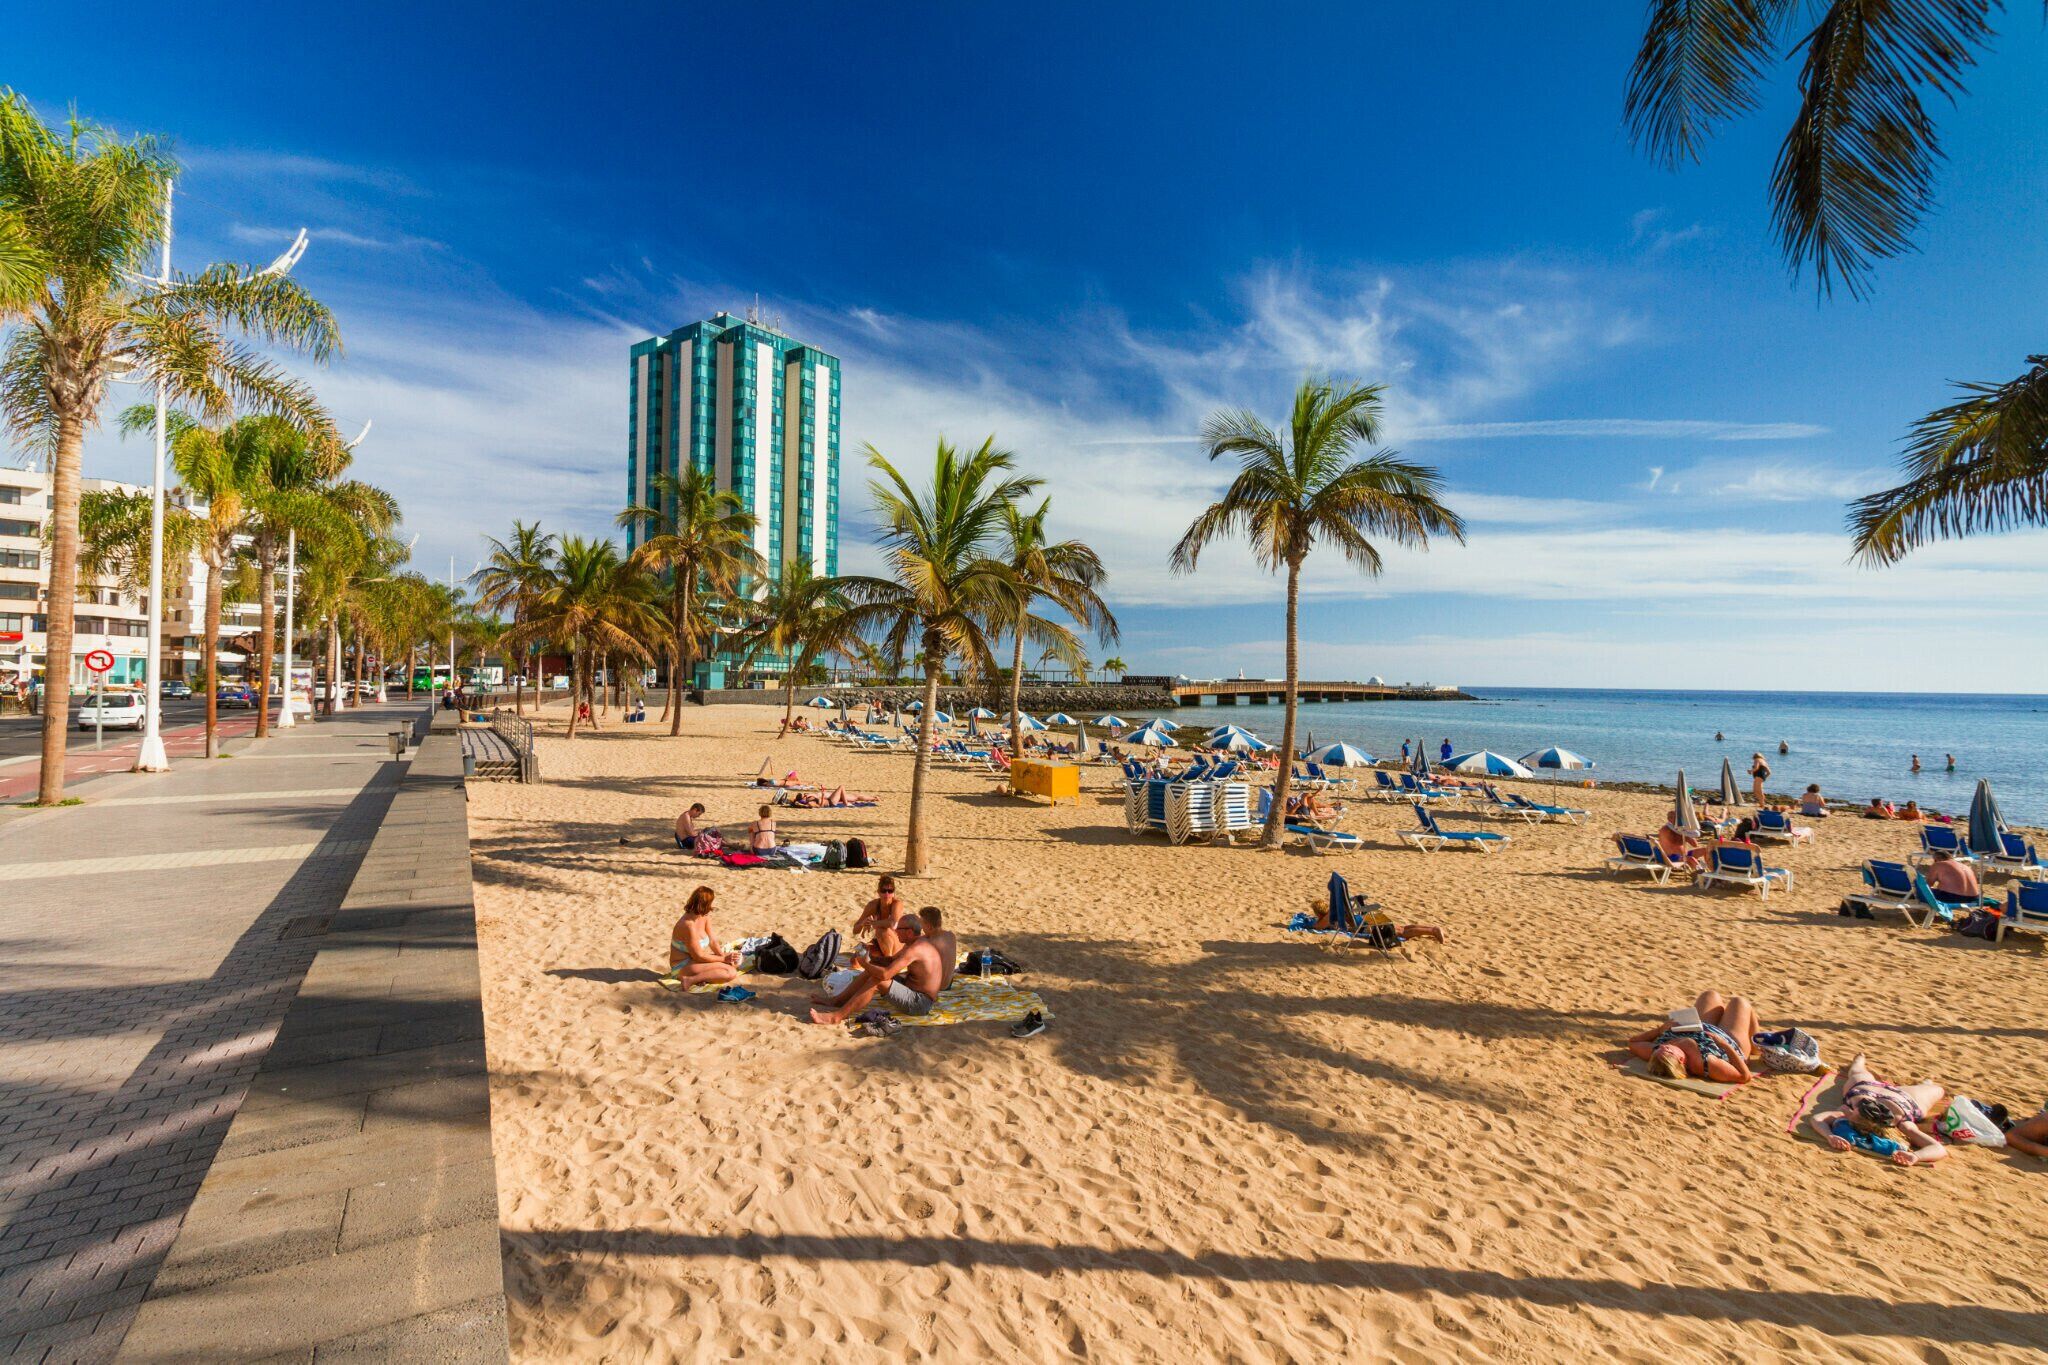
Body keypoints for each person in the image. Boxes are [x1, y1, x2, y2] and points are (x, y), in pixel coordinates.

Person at [810, 906, 957, 1024]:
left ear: (910, 932)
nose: (895, 931)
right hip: (911, 986)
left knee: (876, 980)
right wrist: (871, 958)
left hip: (920, 1002)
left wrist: (864, 963)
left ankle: (836, 1017)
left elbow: (886, 975)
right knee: (873, 971)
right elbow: (891, 961)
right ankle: (836, 1001)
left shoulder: (916, 949)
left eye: (899, 929)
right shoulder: (914, 942)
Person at [1808, 1056, 1948, 1168]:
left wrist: (1830, 1135)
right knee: (1936, 1090)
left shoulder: (1850, 1113)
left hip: (1873, 1090)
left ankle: (1860, 1059)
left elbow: (1818, 1119)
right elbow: (1937, 1148)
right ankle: (1860, 1060)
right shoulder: (1902, 1124)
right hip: (1898, 1098)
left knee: (1857, 1070)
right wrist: (1830, 1136)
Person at [1627, 990, 1766, 1084]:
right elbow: (1745, 1077)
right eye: (1668, 1050)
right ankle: (1756, 1047)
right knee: (1739, 1002)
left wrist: (1659, 1030)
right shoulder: (1708, 1064)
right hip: (1729, 1042)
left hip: (1700, 1028)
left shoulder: (1659, 1054)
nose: (1663, 1046)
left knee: (1710, 995)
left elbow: (1633, 1042)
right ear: (1681, 1059)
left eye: (1660, 1048)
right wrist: (1723, 1044)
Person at [667, 886, 740, 988]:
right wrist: (723, 959)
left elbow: (713, 941)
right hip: (682, 966)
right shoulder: (687, 925)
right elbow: (698, 956)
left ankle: (702, 977)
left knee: (735, 962)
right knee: (730, 972)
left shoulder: (704, 917)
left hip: (695, 961)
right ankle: (690, 980)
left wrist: (722, 955)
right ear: (706, 904)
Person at [852, 875, 910, 958]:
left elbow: (893, 924)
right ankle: (883, 959)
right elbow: (855, 930)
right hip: (881, 942)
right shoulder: (873, 905)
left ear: (893, 893)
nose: (887, 894)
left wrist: (873, 923)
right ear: (878, 892)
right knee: (856, 959)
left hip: (898, 944)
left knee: (881, 930)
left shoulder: (896, 904)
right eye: (883, 891)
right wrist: (863, 924)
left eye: (890, 891)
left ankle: (888, 961)